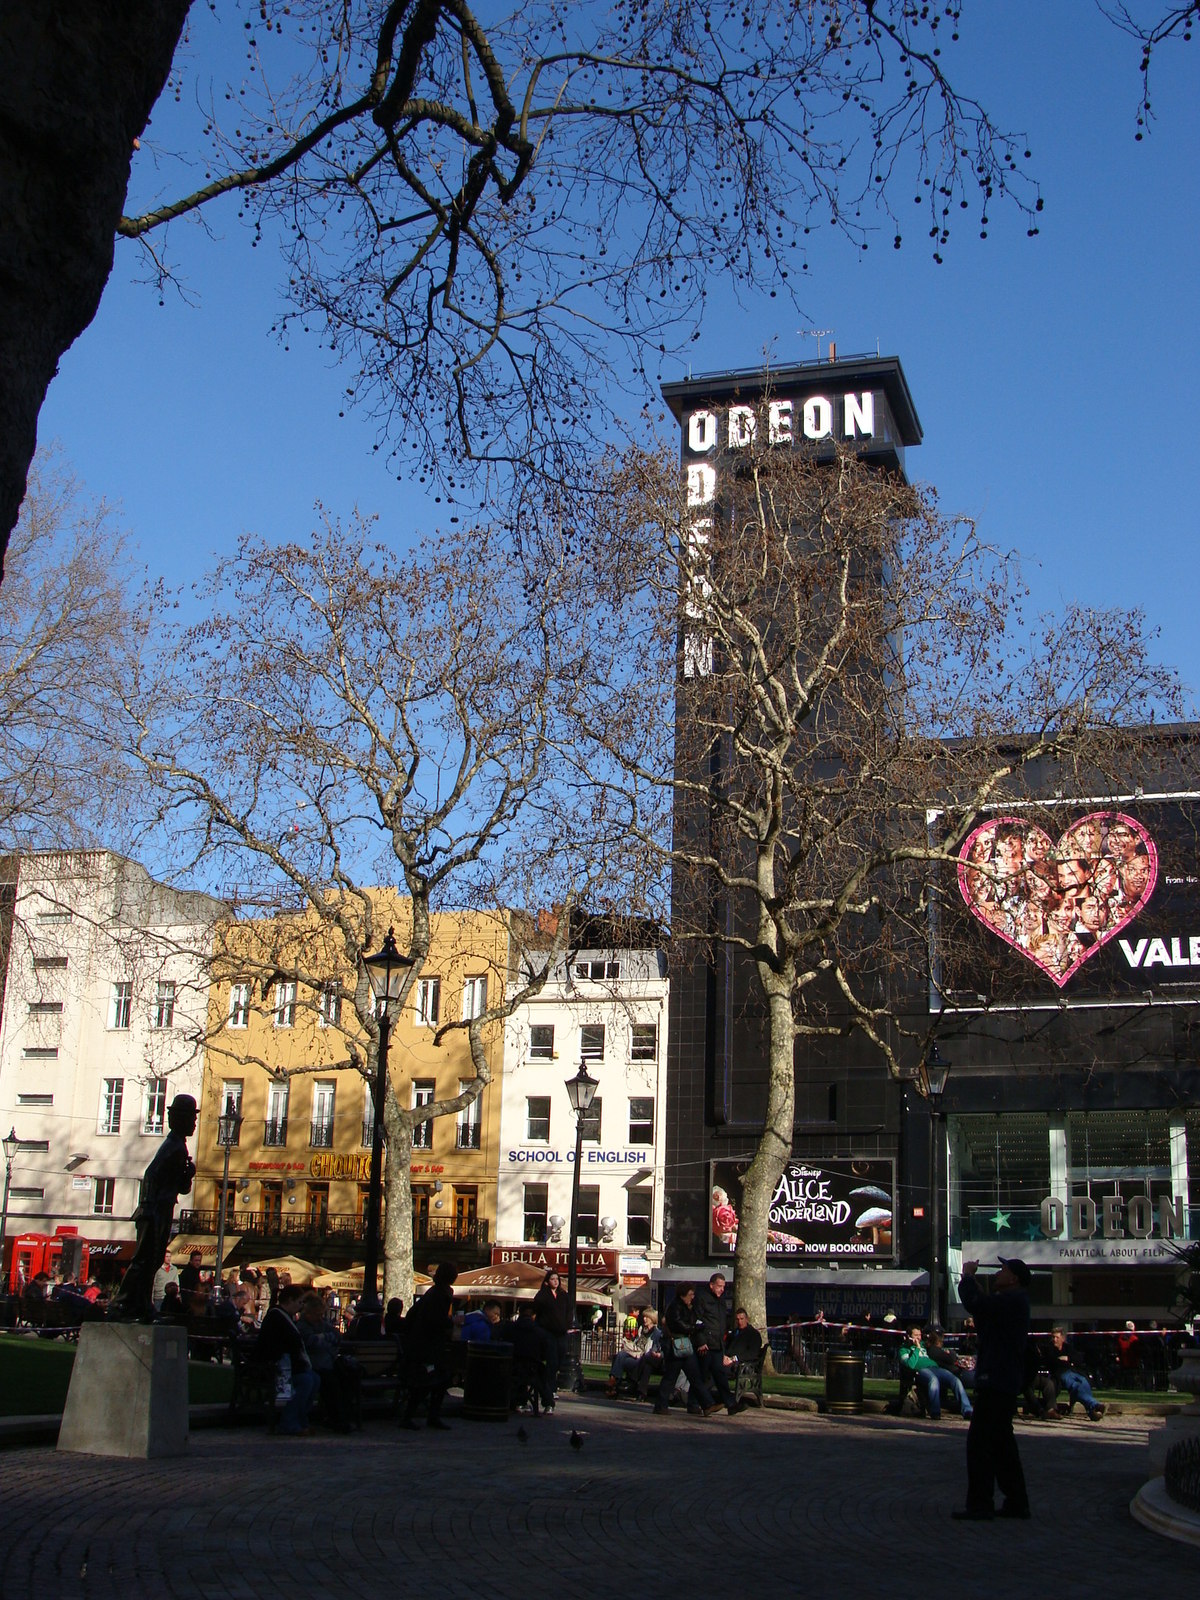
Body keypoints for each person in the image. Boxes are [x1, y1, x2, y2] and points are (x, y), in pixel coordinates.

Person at [953, 1257, 1031, 1522]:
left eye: (1004, 1270)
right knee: (1001, 1445)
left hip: (997, 1380)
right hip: (1003, 1380)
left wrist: (967, 1277)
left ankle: (981, 1504)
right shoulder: (1013, 1302)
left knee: (980, 1443)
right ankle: (1016, 1502)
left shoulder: (1013, 1301)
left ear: (1015, 1278)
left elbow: (977, 1304)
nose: (999, 1273)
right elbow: (984, 1311)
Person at [108, 1094, 198, 1322]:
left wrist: (187, 1175)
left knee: (153, 1260)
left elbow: (181, 1188)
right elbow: (151, 1175)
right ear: (179, 1119)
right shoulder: (173, 1146)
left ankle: (140, 1305)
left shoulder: (179, 1146)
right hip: (155, 1211)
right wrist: (148, 1206)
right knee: (144, 1259)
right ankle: (123, 1304)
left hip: (162, 1208)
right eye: (191, 1118)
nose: (194, 1124)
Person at [254, 1283, 319, 1436]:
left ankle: (301, 1419)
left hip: (288, 1364)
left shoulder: (286, 1317)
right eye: (299, 1302)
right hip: (275, 1367)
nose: (301, 1306)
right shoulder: (277, 1316)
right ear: (290, 1300)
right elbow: (283, 1345)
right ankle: (289, 1422)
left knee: (314, 1379)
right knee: (306, 1381)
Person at [400, 1261, 457, 1430]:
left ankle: (427, 1415)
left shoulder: (432, 1293)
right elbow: (436, 1320)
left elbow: (412, 1314)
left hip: (422, 1344)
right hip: (429, 1345)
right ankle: (425, 1415)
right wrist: (450, 1322)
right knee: (430, 1380)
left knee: (434, 1379)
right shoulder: (441, 1295)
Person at [653, 1285, 719, 1416]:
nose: (692, 1297)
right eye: (690, 1294)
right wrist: (694, 1328)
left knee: (695, 1377)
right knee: (670, 1377)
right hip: (676, 1346)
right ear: (683, 1294)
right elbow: (679, 1324)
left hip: (685, 1346)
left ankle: (707, 1404)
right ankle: (661, 1405)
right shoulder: (675, 1307)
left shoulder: (688, 1307)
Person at [298, 1291, 358, 1432]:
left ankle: (342, 1417)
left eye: (321, 1315)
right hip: (312, 1365)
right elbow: (311, 1342)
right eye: (317, 1315)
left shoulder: (322, 1324)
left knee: (346, 1377)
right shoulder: (302, 1326)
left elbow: (336, 1336)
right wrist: (325, 1338)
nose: (320, 1318)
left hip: (326, 1362)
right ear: (309, 1314)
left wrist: (323, 1337)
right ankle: (338, 1419)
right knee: (331, 1384)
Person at [899, 1326, 973, 1421]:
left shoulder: (924, 1345)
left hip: (935, 1367)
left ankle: (967, 1410)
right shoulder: (903, 1350)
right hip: (921, 1370)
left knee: (955, 1380)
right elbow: (910, 1365)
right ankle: (935, 1412)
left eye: (919, 1335)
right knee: (933, 1381)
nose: (918, 1338)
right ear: (909, 1336)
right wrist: (917, 1349)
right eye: (915, 1335)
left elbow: (935, 1349)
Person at [693, 1271, 737, 1415]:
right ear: (711, 1285)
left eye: (723, 1287)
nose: (722, 1289)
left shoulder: (721, 1301)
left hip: (717, 1344)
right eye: (719, 1286)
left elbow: (722, 1321)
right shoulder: (701, 1298)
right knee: (702, 1375)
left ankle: (731, 1404)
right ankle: (693, 1403)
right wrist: (701, 1341)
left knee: (720, 1374)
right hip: (706, 1344)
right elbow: (697, 1320)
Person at [1048, 1326, 1105, 1420]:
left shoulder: (1068, 1347)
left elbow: (1078, 1358)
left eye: (1057, 1337)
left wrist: (1068, 1359)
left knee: (1083, 1382)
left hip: (1074, 1371)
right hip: (1061, 1373)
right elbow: (1052, 1362)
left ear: (1063, 1338)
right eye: (1053, 1337)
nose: (1055, 1340)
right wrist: (1066, 1361)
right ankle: (1094, 1406)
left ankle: (1092, 1410)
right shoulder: (1050, 1349)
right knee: (1075, 1385)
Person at [532, 1269, 570, 1398]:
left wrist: (567, 1325)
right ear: (547, 1281)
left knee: (560, 1358)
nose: (555, 1281)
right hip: (548, 1332)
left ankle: (550, 1384)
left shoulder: (563, 1295)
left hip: (561, 1332)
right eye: (553, 1279)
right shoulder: (543, 1295)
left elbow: (569, 1311)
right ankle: (550, 1388)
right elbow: (537, 1309)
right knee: (552, 1360)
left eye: (557, 1279)